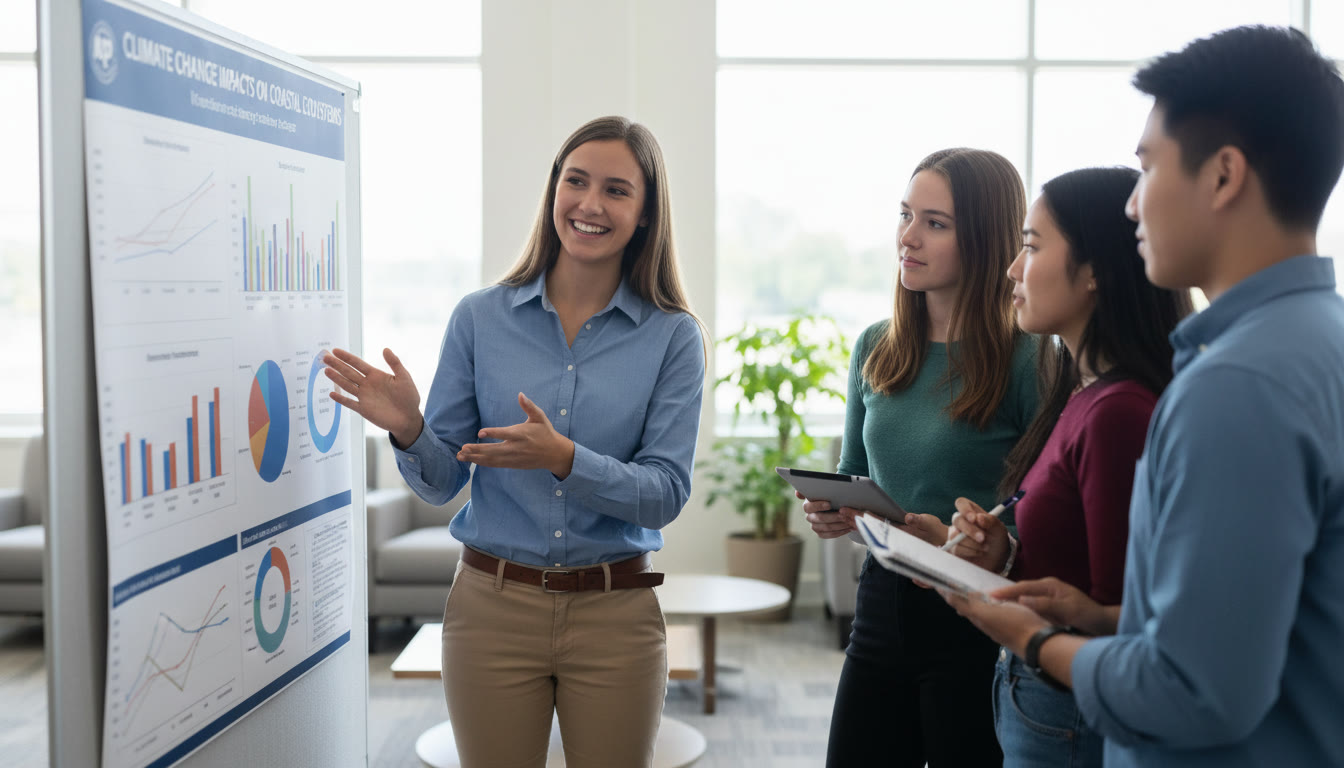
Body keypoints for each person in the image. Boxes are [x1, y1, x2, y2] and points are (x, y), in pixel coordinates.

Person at [943, 25, 1344, 767]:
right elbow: (1263, 620)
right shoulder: (1320, 339)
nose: (1133, 209)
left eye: (1148, 169)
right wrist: (1102, 617)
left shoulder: (1233, 386)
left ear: (1224, 176)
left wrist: (1034, 640)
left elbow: (1193, 692)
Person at [322, 116, 706, 768]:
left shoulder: (673, 336)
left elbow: (664, 494)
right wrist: (409, 428)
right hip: (490, 612)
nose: (589, 204)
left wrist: (566, 460)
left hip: (615, 613)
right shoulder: (479, 317)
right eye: (575, 181)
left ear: (644, 214)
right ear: (554, 189)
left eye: (616, 190)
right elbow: (444, 480)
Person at [945, 166, 1191, 766]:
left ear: (1094, 274)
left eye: (1030, 246)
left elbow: (1127, 619)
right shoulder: (1080, 391)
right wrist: (1002, 552)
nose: (1011, 270)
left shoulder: (1118, 412)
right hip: (1041, 695)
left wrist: (1019, 626)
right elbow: (1077, 573)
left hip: (1071, 705)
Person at [802, 147, 1039, 767]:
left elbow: (1044, 512)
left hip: (976, 617)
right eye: (906, 215)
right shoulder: (876, 346)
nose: (907, 237)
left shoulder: (1029, 359)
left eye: (935, 223)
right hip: (883, 602)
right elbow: (858, 475)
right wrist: (839, 513)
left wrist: (967, 541)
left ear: (986, 240)